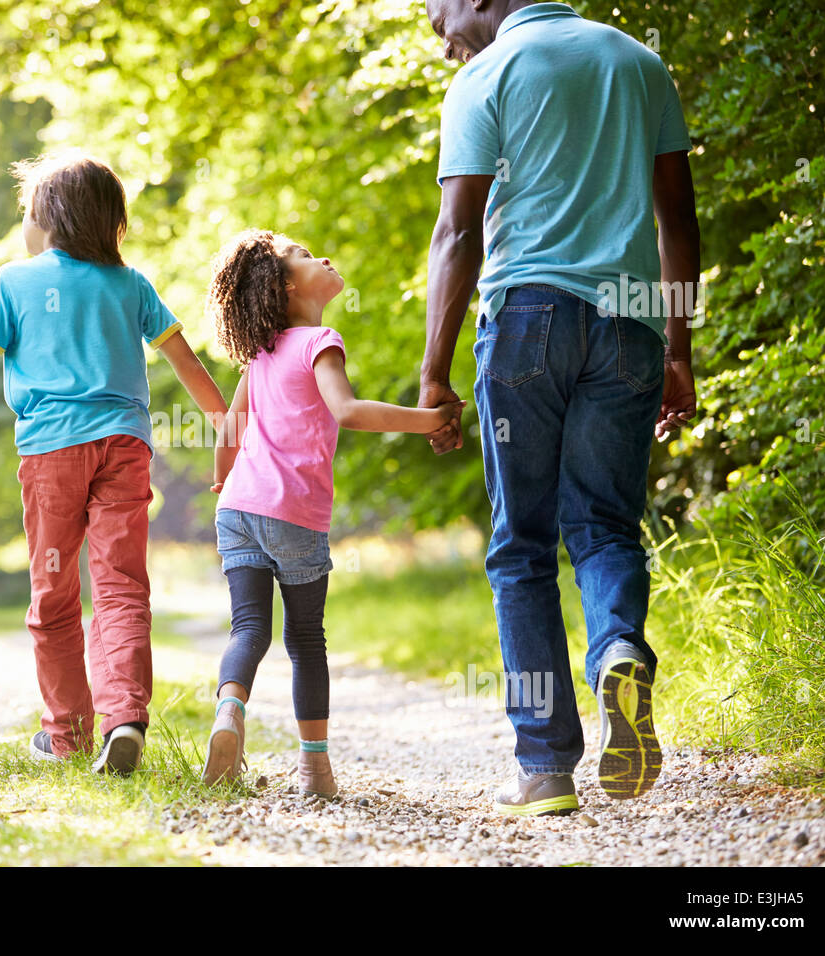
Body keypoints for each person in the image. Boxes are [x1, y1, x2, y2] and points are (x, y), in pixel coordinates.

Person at [419, 0, 701, 815]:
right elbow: (677, 221)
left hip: (525, 326)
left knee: (521, 547)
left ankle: (545, 768)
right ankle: (618, 650)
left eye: (437, 10)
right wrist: (678, 348)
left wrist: (434, 370)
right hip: (630, 327)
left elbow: (457, 232)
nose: (436, 30)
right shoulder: (637, 63)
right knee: (606, 525)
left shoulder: (487, 76)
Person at [0, 152, 227, 775]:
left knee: (54, 596)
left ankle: (69, 735)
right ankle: (125, 717)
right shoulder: (130, 284)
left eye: (28, 211)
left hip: (52, 454)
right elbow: (186, 364)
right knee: (121, 587)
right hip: (125, 449)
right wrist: (230, 428)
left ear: (49, 217)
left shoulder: (14, 282)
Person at [203, 230, 465, 797]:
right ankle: (315, 770)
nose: (320, 255)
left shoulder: (261, 353)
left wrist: (224, 480)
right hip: (292, 513)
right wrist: (429, 421)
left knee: (249, 627)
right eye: (302, 255)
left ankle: (229, 711)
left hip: (238, 508)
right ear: (287, 285)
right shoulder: (319, 340)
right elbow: (345, 411)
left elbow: (229, 426)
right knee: (305, 638)